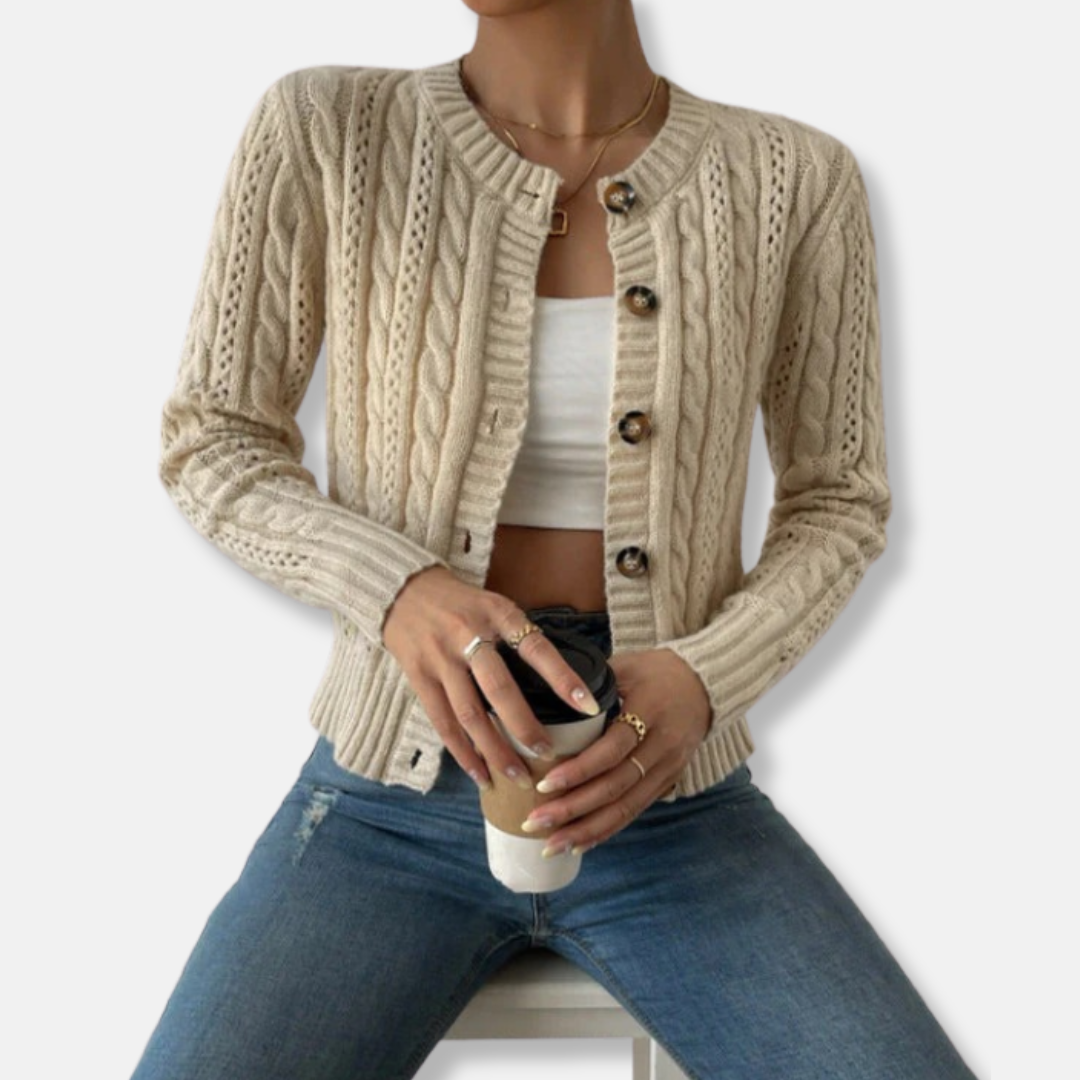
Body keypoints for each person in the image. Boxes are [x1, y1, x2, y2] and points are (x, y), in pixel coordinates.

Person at [131, 1, 979, 1077]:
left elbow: (840, 498)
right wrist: (399, 591)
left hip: (666, 798)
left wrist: (705, 677)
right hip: (390, 800)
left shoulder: (793, 179)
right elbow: (213, 440)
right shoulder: (328, 128)